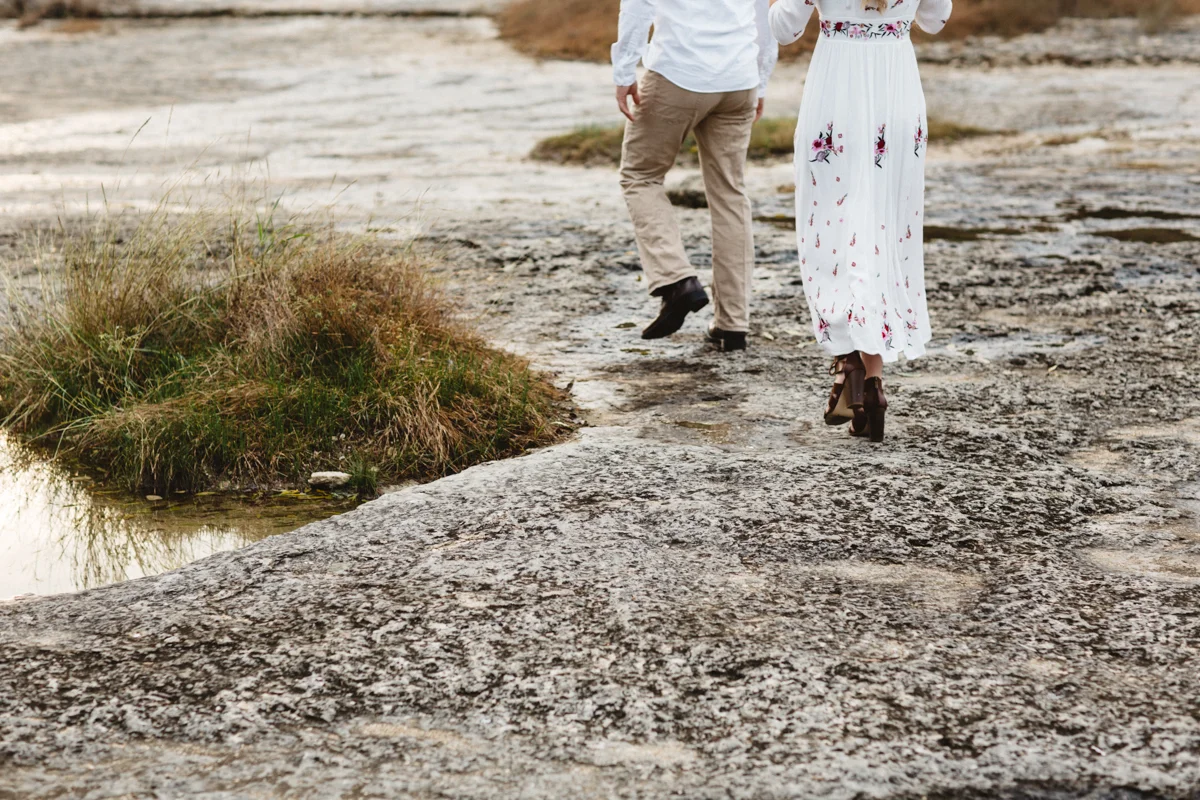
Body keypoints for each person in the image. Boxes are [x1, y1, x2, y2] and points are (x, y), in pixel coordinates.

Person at [768, 0, 953, 441]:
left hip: (837, 99)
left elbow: (783, 29)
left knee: (831, 228)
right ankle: (871, 383)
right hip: (895, 95)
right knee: (882, 234)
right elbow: (936, 19)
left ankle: (848, 361)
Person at [613, 0, 778, 352]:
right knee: (731, 194)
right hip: (739, 80)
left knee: (640, 175)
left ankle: (677, 280)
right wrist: (760, 81)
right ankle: (733, 324)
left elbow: (638, 6)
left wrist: (624, 71)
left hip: (678, 75)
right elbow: (763, 16)